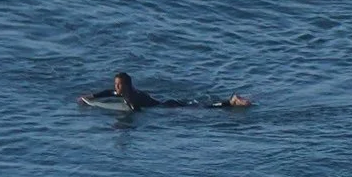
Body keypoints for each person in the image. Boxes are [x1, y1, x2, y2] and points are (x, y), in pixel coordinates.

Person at [86, 71, 249, 111]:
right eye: (116, 84)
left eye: (119, 85)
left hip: (167, 107)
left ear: (127, 85)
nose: (116, 88)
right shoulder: (125, 92)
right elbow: (110, 92)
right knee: (198, 105)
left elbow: (135, 110)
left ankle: (230, 102)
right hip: (165, 103)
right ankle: (230, 101)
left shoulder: (130, 96)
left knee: (202, 109)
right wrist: (93, 96)